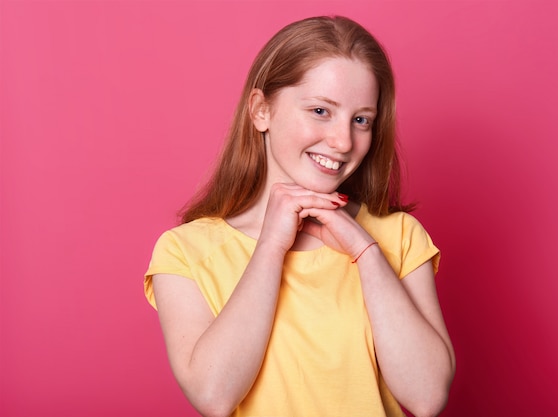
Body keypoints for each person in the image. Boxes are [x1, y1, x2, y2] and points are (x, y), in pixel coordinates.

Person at [144, 15, 455, 417]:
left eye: (361, 120)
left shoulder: (398, 237)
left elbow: (427, 397)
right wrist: (272, 245)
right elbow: (214, 395)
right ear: (261, 111)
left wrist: (366, 251)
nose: (344, 141)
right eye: (321, 111)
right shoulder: (185, 252)